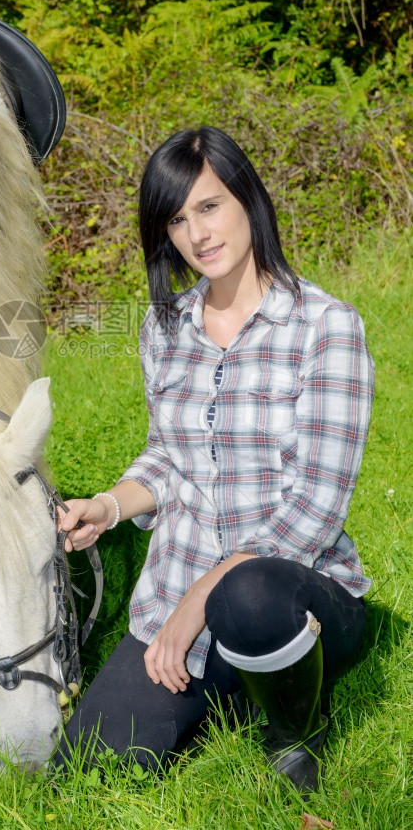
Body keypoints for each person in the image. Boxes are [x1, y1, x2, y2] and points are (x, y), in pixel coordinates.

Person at [54, 126, 374, 795]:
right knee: (91, 767)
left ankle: (297, 727)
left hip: (294, 599)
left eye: (209, 206)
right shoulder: (164, 331)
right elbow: (171, 456)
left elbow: (316, 507)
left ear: (247, 200)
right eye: (175, 218)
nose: (197, 233)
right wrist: (108, 507)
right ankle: (229, 691)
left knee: (246, 595)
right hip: (176, 597)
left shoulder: (326, 326)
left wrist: (202, 597)